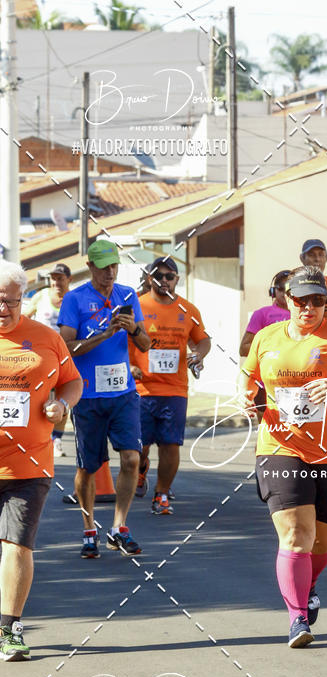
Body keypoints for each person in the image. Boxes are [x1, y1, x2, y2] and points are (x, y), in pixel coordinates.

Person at [240, 266, 327, 648]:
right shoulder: (267, 337)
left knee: (321, 541)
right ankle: (297, 618)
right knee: (297, 536)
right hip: (279, 448)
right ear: (288, 300)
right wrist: (247, 400)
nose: (309, 307)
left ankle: (310, 582)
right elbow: (250, 376)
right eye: (302, 300)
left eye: (317, 300)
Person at [0, 261, 82, 660]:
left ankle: (10, 629)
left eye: (12, 301)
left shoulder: (46, 338)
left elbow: (73, 380)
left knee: (17, 545)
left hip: (29, 464)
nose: (4, 308)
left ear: (22, 301)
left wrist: (62, 404)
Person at [58, 239, 150, 558]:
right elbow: (66, 347)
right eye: (103, 267)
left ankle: (118, 528)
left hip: (123, 393)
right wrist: (104, 334)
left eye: (114, 266)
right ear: (91, 267)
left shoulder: (127, 295)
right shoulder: (74, 299)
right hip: (87, 395)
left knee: (131, 459)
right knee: (88, 467)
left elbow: (146, 344)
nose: (109, 273)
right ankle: (88, 529)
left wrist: (133, 329)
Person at [129, 256, 210, 514]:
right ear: (149, 278)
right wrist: (128, 367)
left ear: (177, 279)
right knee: (139, 446)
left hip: (175, 389)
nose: (164, 280)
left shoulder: (189, 310)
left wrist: (199, 354)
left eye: (169, 276)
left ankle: (161, 494)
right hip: (141, 388)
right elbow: (119, 341)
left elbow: (203, 340)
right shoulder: (137, 306)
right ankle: (141, 470)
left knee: (170, 444)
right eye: (158, 275)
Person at [24, 262, 72, 457]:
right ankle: (35, 438)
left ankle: (57, 440)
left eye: (60, 278)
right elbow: (24, 317)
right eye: (53, 278)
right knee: (39, 397)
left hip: (64, 355)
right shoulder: (41, 296)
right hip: (41, 357)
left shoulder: (72, 299)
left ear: (69, 279)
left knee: (62, 398)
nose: (56, 282)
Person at [239, 270, 291, 422]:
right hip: (265, 383)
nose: (284, 292)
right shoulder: (262, 314)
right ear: (273, 291)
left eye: (289, 288)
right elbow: (243, 348)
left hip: (295, 382)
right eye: (280, 288)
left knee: (294, 434)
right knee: (266, 432)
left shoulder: (304, 316)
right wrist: (273, 349)